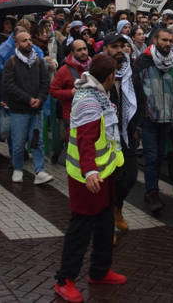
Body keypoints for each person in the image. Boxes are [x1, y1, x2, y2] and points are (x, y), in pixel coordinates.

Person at [53, 53, 127, 303]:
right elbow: (85, 138)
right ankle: (65, 279)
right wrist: (90, 171)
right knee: (80, 230)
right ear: (108, 77)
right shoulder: (89, 100)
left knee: (105, 226)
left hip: (103, 174)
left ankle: (99, 271)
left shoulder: (97, 92)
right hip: (88, 179)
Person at [135, 27, 173, 212]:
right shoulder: (144, 61)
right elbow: (136, 90)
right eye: (164, 40)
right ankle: (152, 193)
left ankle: (153, 189)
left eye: (169, 41)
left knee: (159, 157)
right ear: (155, 41)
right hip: (150, 118)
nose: (167, 44)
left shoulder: (172, 62)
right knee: (151, 157)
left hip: (167, 118)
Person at [2, 30, 54, 184]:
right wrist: (28, 99)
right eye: (24, 40)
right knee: (18, 142)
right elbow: (9, 85)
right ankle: (17, 168)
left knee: (37, 141)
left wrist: (40, 99)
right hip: (19, 110)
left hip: (36, 109)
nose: (29, 42)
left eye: (30, 39)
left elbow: (45, 83)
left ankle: (40, 170)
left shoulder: (38, 61)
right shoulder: (11, 62)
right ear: (17, 44)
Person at [103, 33, 141, 238]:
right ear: (106, 49)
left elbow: (139, 99)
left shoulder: (131, 72)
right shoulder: (99, 71)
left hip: (127, 134)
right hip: (106, 136)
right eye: (114, 46)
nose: (119, 50)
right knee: (110, 180)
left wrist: (137, 125)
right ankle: (108, 224)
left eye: (122, 46)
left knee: (130, 176)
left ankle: (118, 207)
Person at [51, 39, 91, 138]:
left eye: (85, 49)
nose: (83, 52)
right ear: (72, 52)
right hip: (73, 118)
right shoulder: (64, 70)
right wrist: (70, 93)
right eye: (79, 50)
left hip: (92, 115)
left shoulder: (93, 66)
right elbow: (53, 91)